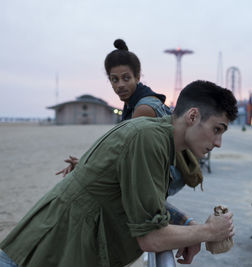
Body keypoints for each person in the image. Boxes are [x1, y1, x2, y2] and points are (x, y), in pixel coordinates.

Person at [0, 80, 238, 266]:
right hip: (41, 256)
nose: (218, 142)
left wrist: (187, 225)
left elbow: (140, 201)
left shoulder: (158, 137)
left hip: (51, 251)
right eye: (217, 129)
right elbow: (151, 238)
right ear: (193, 116)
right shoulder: (148, 139)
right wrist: (207, 232)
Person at [56, 39, 202, 196]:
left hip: (164, 180)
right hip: (156, 175)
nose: (120, 85)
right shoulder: (134, 102)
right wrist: (86, 165)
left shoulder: (144, 108)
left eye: (126, 78)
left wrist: (87, 168)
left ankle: (189, 222)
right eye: (114, 79)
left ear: (138, 77)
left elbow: (125, 157)